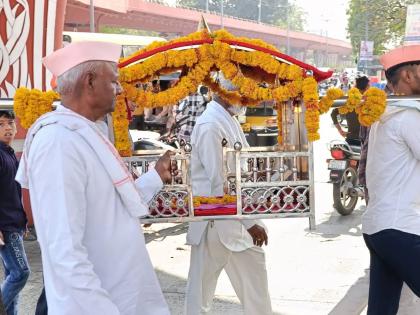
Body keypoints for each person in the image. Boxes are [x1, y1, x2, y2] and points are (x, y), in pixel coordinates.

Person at [15, 41, 172, 315]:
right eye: (113, 81)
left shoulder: (84, 133)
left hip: (119, 297)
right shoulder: (59, 142)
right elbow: (66, 252)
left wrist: (155, 177)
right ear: (89, 82)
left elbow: (111, 208)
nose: (120, 89)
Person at [184, 74, 272, 315]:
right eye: (242, 96)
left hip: (233, 221)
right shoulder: (211, 124)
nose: (245, 101)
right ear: (225, 93)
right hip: (216, 223)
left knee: (255, 288)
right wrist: (251, 221)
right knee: (200, 296)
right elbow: (220, 182)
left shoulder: (226, 118)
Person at [362, 44, 420, 314]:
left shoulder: (385, 115)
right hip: (400, 229)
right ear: (408, 76)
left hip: (380, 229)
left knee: (381, 311)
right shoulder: (408, 117)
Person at [0, 110, 30, 315]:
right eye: (1, 124)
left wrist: (23, 221)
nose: (8, 128)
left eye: (10, 123)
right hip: (5, 226)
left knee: (12, 275)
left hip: (14, 223)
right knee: (21, 273)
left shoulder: (9, 153)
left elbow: (14, 191)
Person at [331, 75, 370, 146]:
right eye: (369, 86)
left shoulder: (349, 101)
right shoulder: (369, 101)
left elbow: (333, 113)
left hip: (351, 140)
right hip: (365, 141)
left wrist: (340, 130)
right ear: (367, 87)